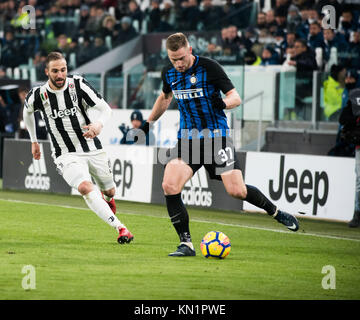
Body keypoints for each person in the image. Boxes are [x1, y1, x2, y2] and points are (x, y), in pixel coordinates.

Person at [140, 33, 299, 257]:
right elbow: (165, 97)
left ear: (190, 50)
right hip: (188, 140)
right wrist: (148, 123)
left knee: (236, 190)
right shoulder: (170, 72)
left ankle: (275, 211)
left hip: (217, 138)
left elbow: (236, 97)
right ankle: (186, 244)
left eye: (182, 58)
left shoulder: (209, 67)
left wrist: (223, 103)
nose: (178, 64)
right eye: (173, 59)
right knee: (169, 184)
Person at [22, 52, 134, 244]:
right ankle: (121, 228)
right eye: (55, 71)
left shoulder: (79, 85)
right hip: (65, 154)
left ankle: (106, 201)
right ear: (47, 71)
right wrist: (34, 141)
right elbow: (27, 112)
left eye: (63, 70)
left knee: (110, 192)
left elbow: (105, 109)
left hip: (92, 147)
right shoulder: (39, 95)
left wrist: (98, 125)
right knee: (84, 187)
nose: (60, 75)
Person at [339, 88, 360, 227]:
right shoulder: (355, 96)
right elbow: (343, 118)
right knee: (359, 180)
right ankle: (357, 213)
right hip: (359, 146)